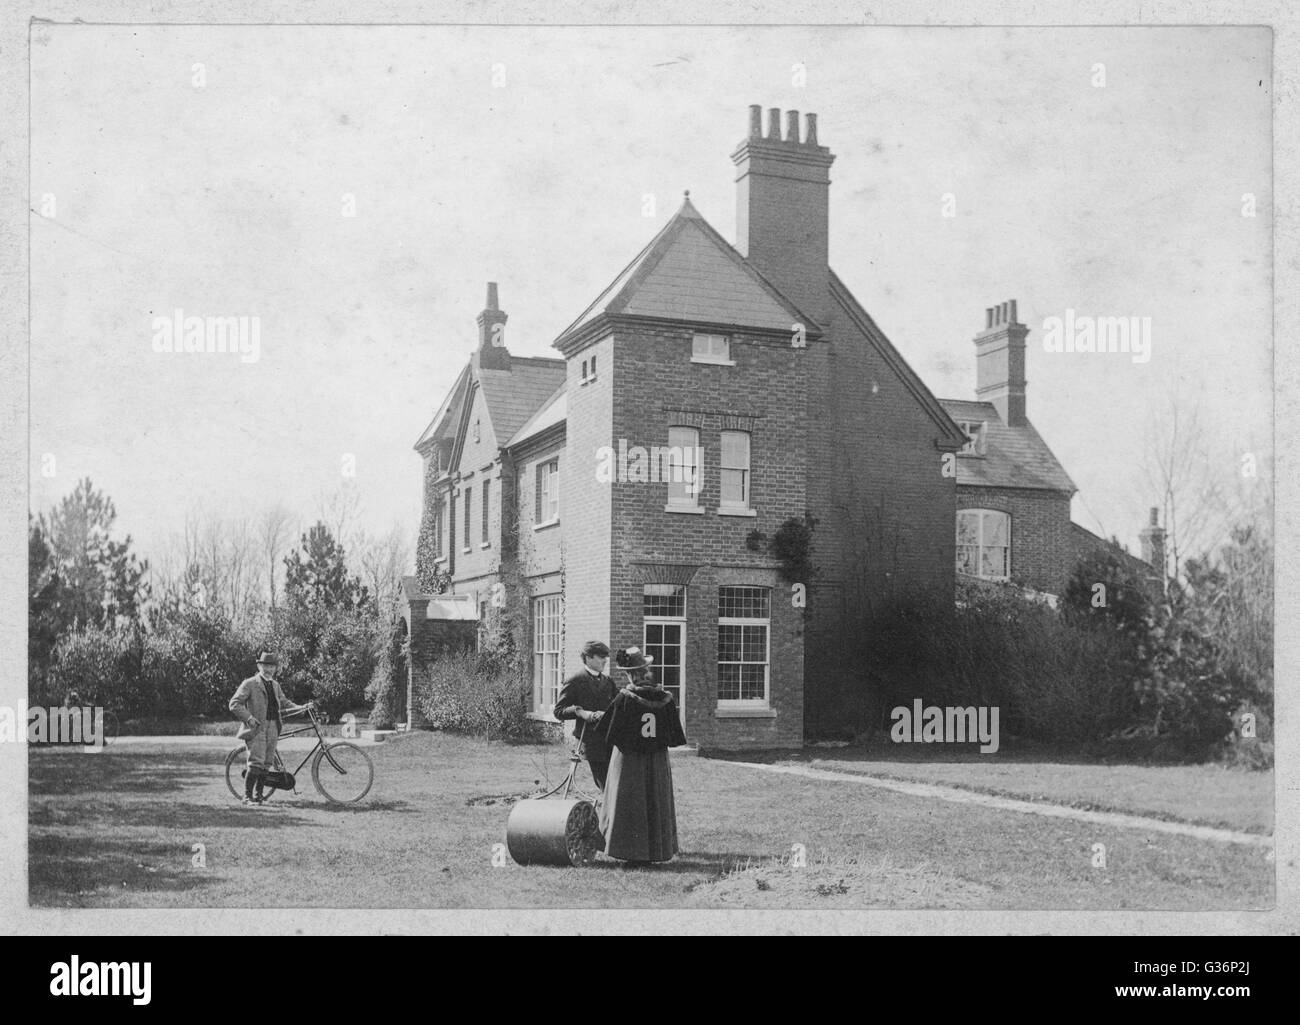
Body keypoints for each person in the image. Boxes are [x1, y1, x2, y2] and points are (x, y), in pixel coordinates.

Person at [595, 646, 687, 866]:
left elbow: (609, 732)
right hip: (656, 760)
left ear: (629, 674)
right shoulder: (665, 698)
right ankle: (655, 850)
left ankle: (629, 851)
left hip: (629, 760)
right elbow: (673, 735)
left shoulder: (625, 698)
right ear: (647, 671)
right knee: (655, 798)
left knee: (629, 800)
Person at [229, 652, 311, 806]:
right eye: (265, 666)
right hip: (257, 728)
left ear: (275, 668)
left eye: (272, 666)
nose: (269, 669)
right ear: (259, 666)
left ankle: (259, 796)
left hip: (274, 726)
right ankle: (247, 797)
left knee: (266, 764)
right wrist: (249, 718)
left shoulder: (275, 685)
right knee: (256, 763)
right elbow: (234, 703)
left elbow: (285, 703)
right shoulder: (250, 683)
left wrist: (302, 708)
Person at [552, 641, 617, 789]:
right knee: (605, 784)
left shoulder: (608, 681)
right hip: (590, 740)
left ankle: (613, 810)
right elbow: (559, 711)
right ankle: (610, 810)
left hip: (610, 739)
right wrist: (580, 712)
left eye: (605, 657)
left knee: (616, 783)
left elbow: (617, 707)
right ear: (588, 657)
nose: (605, 660)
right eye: (601, 657)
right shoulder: (575, 680)